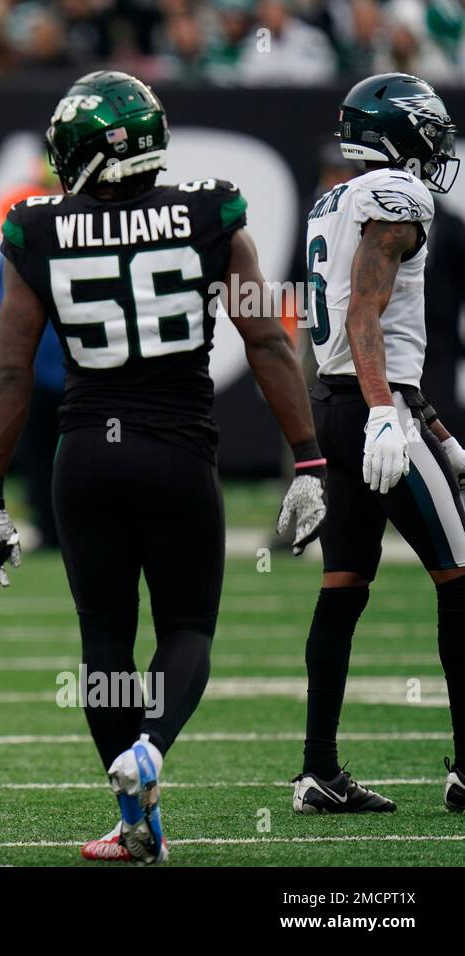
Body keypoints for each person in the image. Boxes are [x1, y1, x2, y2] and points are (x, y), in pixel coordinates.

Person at [0, 70, 325, 863]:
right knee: (188, 626)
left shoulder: (38, 225)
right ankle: (153, 748)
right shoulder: (210, 210)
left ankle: (132, 817)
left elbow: (8, 372)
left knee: (104, 642)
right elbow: (265, 338)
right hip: (178, 450)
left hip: (85, 454)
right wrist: (308, 459)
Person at [292, 72, 465, 816]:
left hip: (343, 408)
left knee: (343, 592)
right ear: (398, 132)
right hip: (370, 408)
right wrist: (385, 415)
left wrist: (434, 429)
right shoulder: (398, 194)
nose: (438, 142)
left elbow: (374, 332)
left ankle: (317, 773)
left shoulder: (335, 198)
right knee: (461, 575)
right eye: (428, 126)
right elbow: (365, 315)